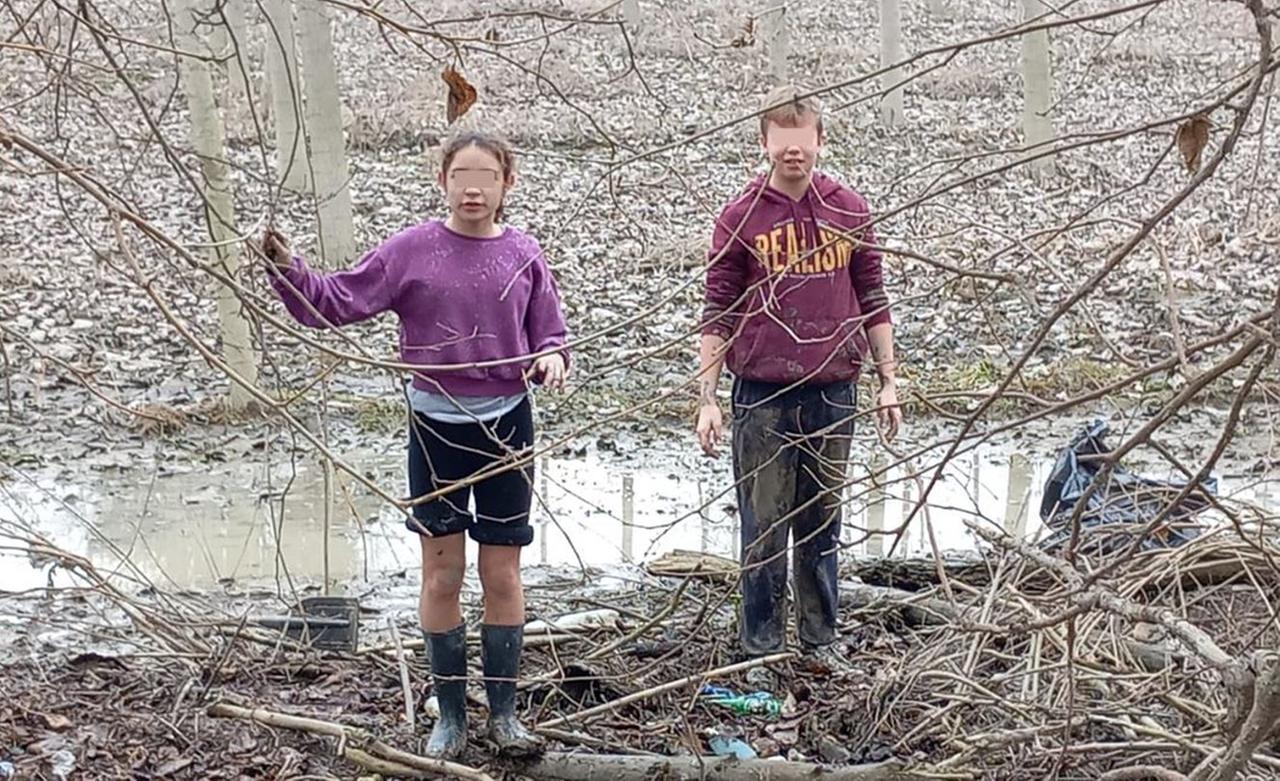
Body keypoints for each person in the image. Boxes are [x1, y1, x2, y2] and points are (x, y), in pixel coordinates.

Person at [262, 130, 569, 758]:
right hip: (434, 428)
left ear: (508, 185)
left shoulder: (523, 254)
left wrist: (553, 359)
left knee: (503, 570)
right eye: (461, 176)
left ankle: (505, 716)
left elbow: (551, 333)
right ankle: (451, 716)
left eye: (486, 176)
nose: (473, 188)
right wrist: (286, 270)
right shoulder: (413, 250)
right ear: (443, 182)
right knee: (441, 572)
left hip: (507, 425)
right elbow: (337, 302)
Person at [695, 86, 902, 664]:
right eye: (782, 142)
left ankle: (819, 641)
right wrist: (708, 396)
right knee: (763, 527)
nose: (793, 153)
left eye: (802, 141)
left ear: (819, 140)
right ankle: (759, 645)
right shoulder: (741, 217)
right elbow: (717, 306)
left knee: (821, 523)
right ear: (764, 143)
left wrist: (888, 381)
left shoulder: (849, 209)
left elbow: (873, 296)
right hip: (761, 392)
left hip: (834, 389)